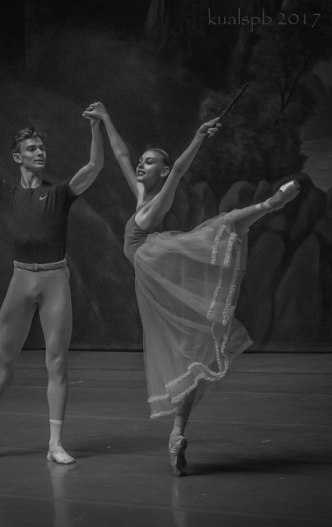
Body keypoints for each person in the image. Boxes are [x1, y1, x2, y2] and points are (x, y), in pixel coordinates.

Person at [83, 102, 300, 476]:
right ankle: (177, 433)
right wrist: (105, 121)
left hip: (153, 260)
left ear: (163, 171)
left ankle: (267, 204)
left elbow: (180, 169)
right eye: (144, 161)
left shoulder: (158, 200)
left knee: (221, 229)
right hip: (155, 276)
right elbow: (121, 154)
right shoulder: (140, 197)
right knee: (186, 353)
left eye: (150, 162)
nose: (141, 164)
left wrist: (198, 137)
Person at [0, 62, 104, 463]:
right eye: (32, 149)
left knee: (56, 361)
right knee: (4, 359)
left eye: (42, 148)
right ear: (17, 156)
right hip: (21, 281)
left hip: (55, 281)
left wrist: (97, 127)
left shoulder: (58, 194)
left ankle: (55, 443)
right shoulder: (4, 193)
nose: (40, 152)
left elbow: (94, 167)